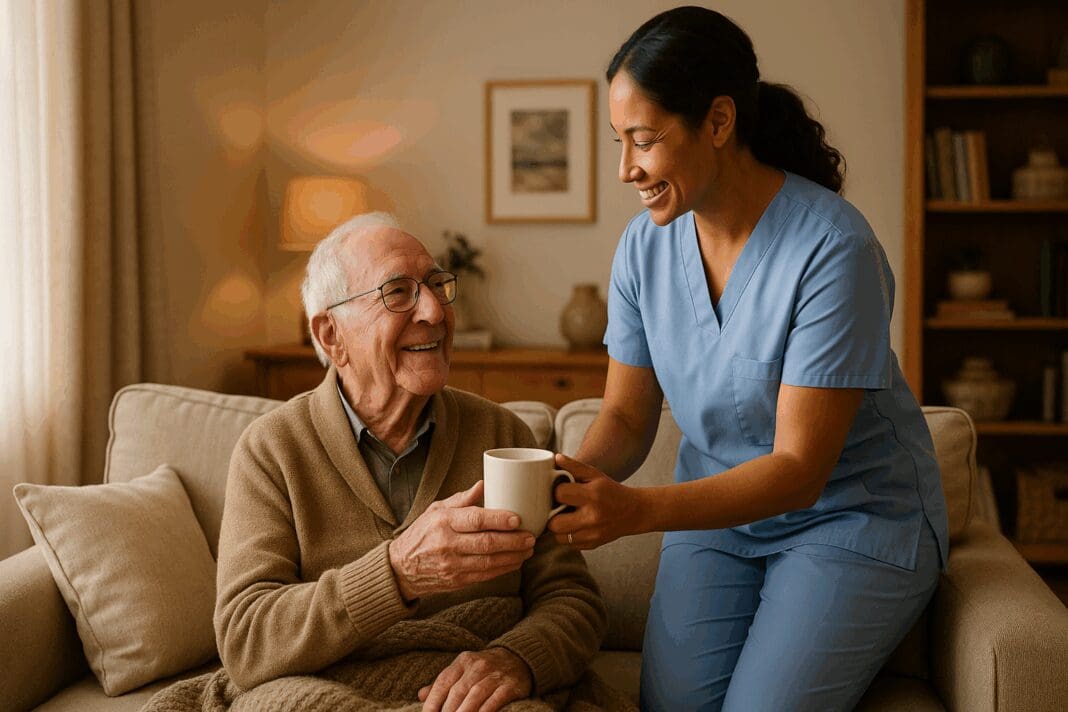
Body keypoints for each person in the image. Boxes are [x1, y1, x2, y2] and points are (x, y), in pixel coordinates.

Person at [545, 7, 949, 712]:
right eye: (619, 141)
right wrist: (560, 481)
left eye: (644, 140)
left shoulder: (833, 249)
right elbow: (624, 416)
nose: (625, 168)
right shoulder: (644, 250)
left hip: (848, 516)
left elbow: (798, 471)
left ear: (720, 122)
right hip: (719, 517)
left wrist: (636, 512)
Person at [213, 213, 606, 711]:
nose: (436, 313)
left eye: (437, 285)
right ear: (331, 334)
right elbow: (247, 640)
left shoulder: (503, 436)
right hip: (330, 691)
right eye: (398, 292)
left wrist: (517, 659)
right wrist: (397, 572)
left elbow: (573, 600)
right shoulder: (272, 450)